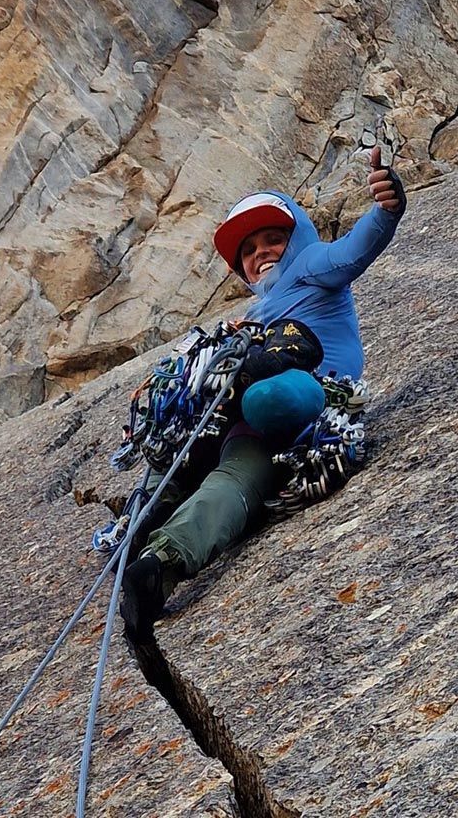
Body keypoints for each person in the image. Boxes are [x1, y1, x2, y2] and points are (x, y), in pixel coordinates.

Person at [119, 147, 406, 640]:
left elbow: (355, 248)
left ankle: (165, 560)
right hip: (246, 415)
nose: (261, 253)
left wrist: (386, 208)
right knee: (217, 463)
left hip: (308, 401)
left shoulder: (314, 264)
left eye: (274, 238)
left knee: (246, 459)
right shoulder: (251, 317)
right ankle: (146, 545)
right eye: (249, 251)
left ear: (298, 238)